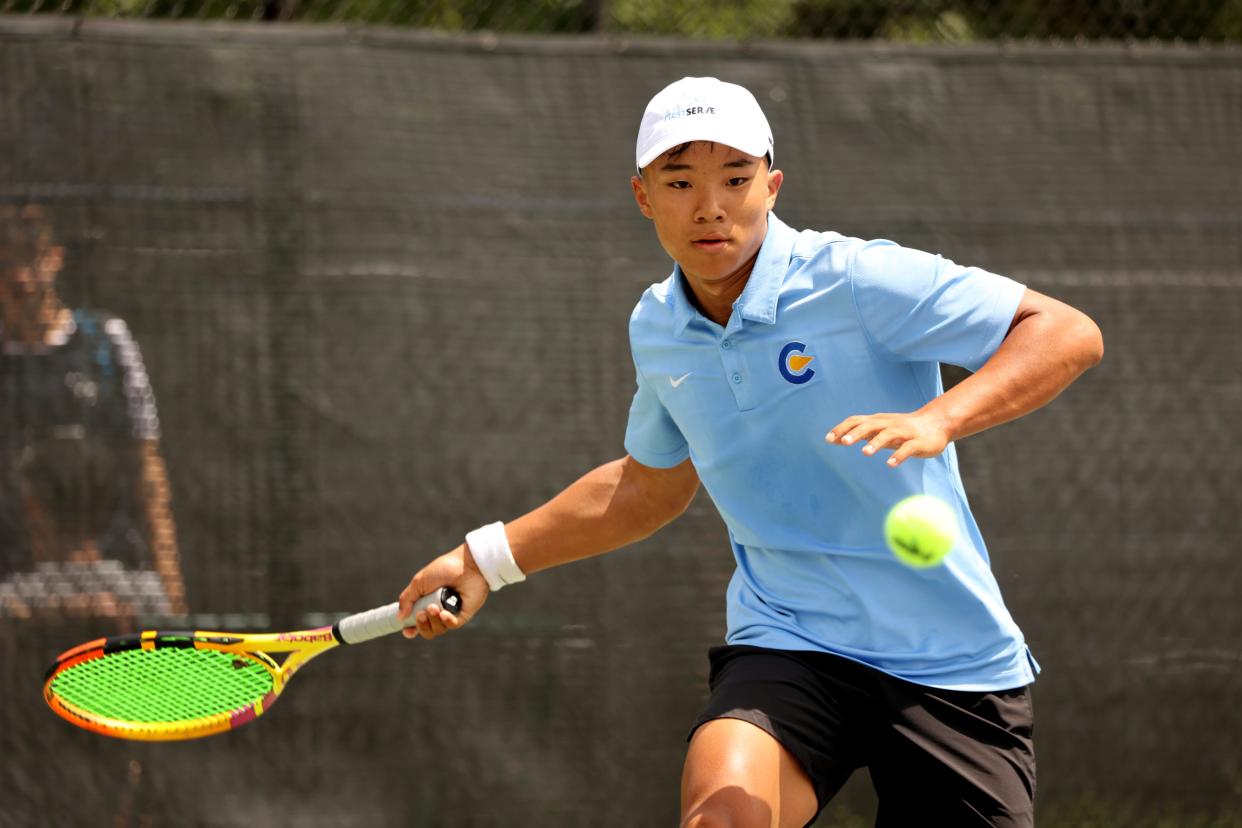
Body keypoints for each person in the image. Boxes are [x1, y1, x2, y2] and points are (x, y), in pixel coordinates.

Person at [396, 78, 1103, 827]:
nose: (711, 206)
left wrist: (940, 418)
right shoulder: (659, 325)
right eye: (680, 181)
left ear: (772, 185)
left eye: (736, 179)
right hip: (790, 641)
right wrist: (483, 562)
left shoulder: (860, 279)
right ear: (643, 196)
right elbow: (647, 488)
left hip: (951, 662)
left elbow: (1065, 332)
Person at [0, 203, 187, 622]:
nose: (18, 276)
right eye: (4, 260)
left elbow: (146, 466)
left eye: (29, 256)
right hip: (12, 577)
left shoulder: (105, 343)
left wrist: (169, 579)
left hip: (111, 572)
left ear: (54, 258)